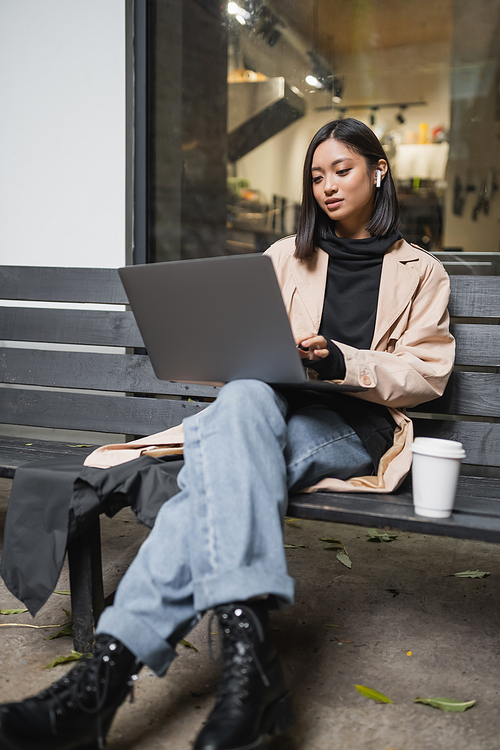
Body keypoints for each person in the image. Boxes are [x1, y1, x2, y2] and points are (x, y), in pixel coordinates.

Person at [0, 118, 454, 750]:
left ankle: (98, 688)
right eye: (316, 176)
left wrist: (339, 361)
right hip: (261, 408)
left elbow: (425, 375)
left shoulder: (422, 272)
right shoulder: (284, 257)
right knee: (244, 393)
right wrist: (231, 354)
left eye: (341, 171)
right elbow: (241, 354)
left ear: (380, 171)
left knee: (207, 489)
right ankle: (249, 658)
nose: (326, 186)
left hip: (352, 424)